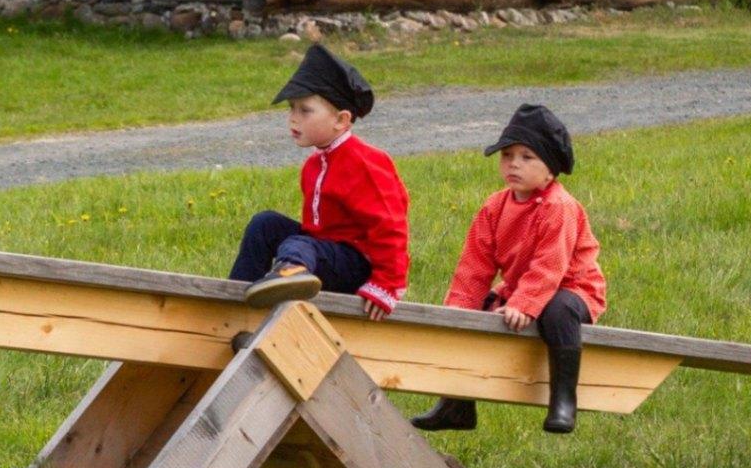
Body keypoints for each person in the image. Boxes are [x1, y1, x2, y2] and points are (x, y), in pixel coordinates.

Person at [413, 102, 605, 437]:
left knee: (557, 312)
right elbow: (474, 265)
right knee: (478, 309)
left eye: (527, 157)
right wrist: (458, 313)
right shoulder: (494, 206)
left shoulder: (559, 207)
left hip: (573, 290)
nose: (514, 163)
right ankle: (456, 404)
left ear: (550, 170)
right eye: (507, 155)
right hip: (521, 290)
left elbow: (550, 266)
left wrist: (524, 304)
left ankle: (562, 400)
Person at [227, 43, 408, 318]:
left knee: (301, 245)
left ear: (341, 120)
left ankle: (291, 276)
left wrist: (387, 284)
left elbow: (391, 226)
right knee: (265, 224)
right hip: (321, 253)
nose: (293, 119)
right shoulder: (313, 164)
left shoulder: (366, 161)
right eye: (292, 109)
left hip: (356, 265)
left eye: (305, 110)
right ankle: (237, 294)